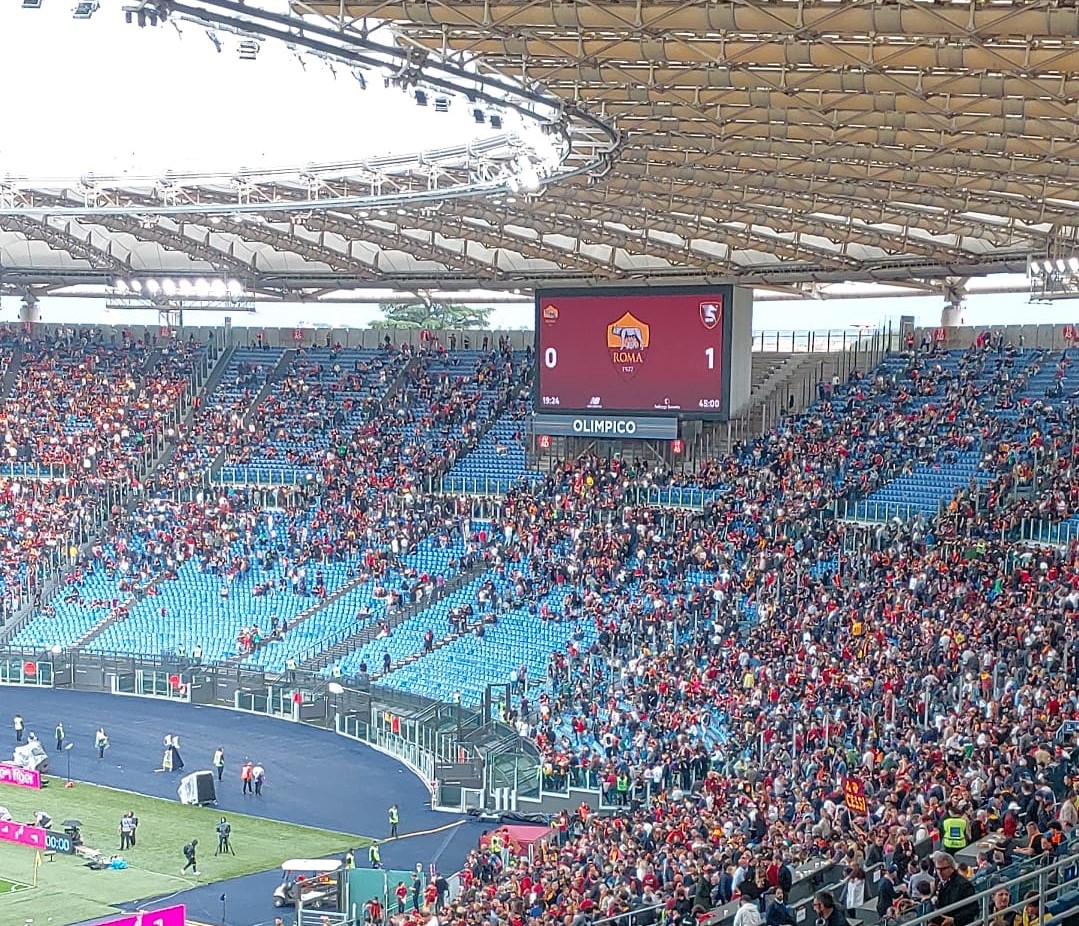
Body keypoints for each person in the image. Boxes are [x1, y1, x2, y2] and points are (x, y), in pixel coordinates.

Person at [934, 851, 977, 926]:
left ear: (952, 868)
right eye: (938, 869)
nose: (940, 872)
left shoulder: (964, 885)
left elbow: (973, 909)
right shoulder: (938, 882)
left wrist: (954, 920)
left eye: (943, 869)